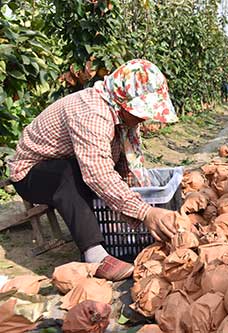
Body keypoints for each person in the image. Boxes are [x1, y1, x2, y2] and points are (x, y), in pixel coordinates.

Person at [8, 59, 179, 281]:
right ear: (124, 99)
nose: (144, 117)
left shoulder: (118, 114)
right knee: (68, 172)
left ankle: (109, 238)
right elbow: (97, 173)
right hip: (32, 173)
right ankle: (94, 255)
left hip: (73, 164)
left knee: (87, 170)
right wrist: (145, 213)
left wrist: (139, 205)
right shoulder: (92, 112)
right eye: (142, 109)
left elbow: (122, 166)